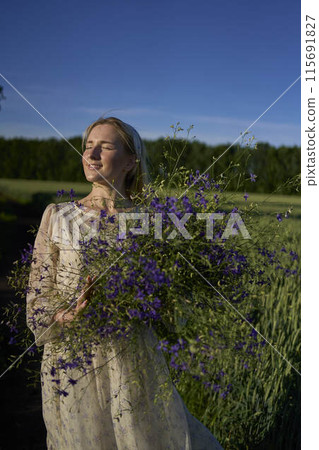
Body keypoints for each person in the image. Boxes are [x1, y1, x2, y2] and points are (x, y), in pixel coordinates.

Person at [26, 116, 224, 449]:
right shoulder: (58, 216)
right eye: (88, 146)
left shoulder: (153, 222)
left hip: (133, 360)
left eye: (104, 146)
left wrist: (170, 297)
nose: (91, 154)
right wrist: (66, 316)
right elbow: (36, 298)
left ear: (131, 161)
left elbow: (171, 309)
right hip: (74, 361)